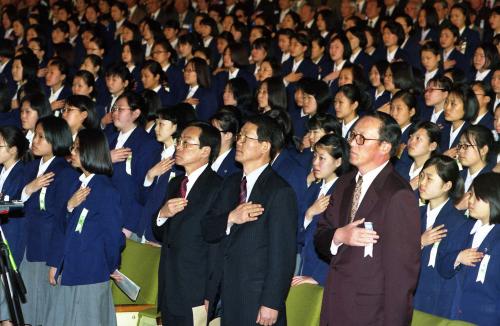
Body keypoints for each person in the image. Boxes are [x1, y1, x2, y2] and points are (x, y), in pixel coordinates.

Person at [314, 112, 421, 325]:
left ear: (385, 147)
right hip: (334, 306)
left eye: (361, 138)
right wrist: (339, 236)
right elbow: (320, 236)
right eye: (352, 136)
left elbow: (401, 276)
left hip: (369, 314)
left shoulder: (398, 194)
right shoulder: (344, 183)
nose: (352, 143)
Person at [203, 115, 298, 325]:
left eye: (246, 138)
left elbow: (282, 254)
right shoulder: (230, 183)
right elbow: (208, 229)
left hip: (255, 297)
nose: (239, 142)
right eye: (239, 137)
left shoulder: (279, 191)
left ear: (265, 146)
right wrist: (231, 218)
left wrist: (272, 302)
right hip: (224, 291)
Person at [45, 128, 124, 326]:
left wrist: (109, 266)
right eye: (73, 146)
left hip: (91, 272)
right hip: (72, 269)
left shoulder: (105, 189)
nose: (72, 151)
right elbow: (63, 229)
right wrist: (69, 206)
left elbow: (113, 237)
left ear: (91, 151)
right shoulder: (78, 184)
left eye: (78, 147)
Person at [152, 121, 223, 325]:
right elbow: (161, 233)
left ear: (205, 151)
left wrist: (210, 293)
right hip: (169, 282)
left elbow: (216, 245)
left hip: (196, 287)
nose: (179, 147)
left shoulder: (218, 187)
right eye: (179, 141)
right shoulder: (176, 183)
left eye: (186, 143)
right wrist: (162, 214)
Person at [20, 116, 79, 325]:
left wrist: (56, 260)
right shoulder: (30, 168)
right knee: (26, 307)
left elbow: (63, 219)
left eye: (41, 137)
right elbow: (19, 205)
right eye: (35, 135)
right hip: (27, 245)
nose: (34, 141)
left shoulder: (65, 173)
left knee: (43, 308)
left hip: (47, 249)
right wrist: (29, 189)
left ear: (55, 140)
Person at [437, 172, 500, 325]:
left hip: (486, 318)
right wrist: (457, 258)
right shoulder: (464, 228)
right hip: (454, 314)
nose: (470, 200)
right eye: (470, 194)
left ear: (493, 198)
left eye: (476, 196)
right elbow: (442, 267)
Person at [414, 155, 466, 318]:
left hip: (438, 297)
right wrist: (420, 242)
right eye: (422, 176)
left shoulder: (459, 222)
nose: (422, 183)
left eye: (429, 179)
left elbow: (450, 269)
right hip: (410, 292)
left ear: (447, 185)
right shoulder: (414, 215)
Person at [294, 134, 350, 287]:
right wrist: (309, 214)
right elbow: (298, 233)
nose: (315, 163)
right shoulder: (315, 188)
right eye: (315, 156)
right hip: (305, 265)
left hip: (324, 276)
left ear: (338, 161)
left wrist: (319, 277)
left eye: (322, 158)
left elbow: (340, 243)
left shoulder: (343, 193)